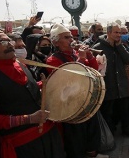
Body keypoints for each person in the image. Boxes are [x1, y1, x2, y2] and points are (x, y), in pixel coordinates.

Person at [0, 23, 65, 158]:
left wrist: (50, 82)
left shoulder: (19, 64)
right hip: (23, 146)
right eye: (2, 42)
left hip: (48, 134)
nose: (10, 45)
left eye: (8, 40)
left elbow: (24, 90)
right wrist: (28, 119)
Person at [46, 24, 106, 158]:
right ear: (56, 42)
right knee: (76, 138)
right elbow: (69, 79)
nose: (71, 40)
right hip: (70, 106)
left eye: (71, 37)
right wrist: (82, 58)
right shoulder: (52, 60)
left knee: (92, 130)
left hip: (86, 99)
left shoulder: (75, 53)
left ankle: (93, 153)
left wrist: (90, 56)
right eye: (66, 37)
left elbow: (94, 70)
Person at [92, 23, 129, 138]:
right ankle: (110, 135)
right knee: (109, 112)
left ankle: (126, 129)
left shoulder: (120, 45)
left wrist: (119, 46)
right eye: (116, 32)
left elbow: (128, 60)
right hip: (108, 86)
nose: (119, 35)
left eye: (120, 32)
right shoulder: (98, 47)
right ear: (108, 33)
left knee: (125, 110)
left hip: (122, 85)